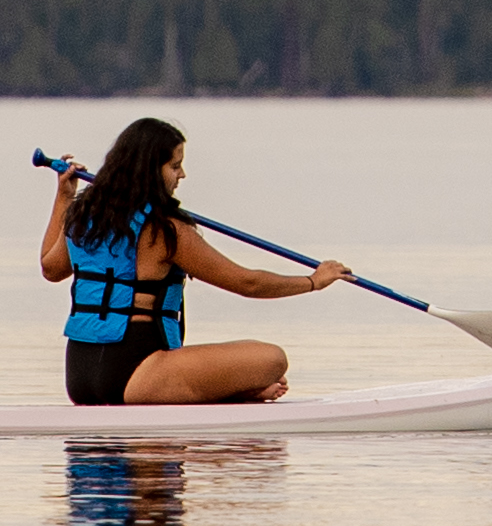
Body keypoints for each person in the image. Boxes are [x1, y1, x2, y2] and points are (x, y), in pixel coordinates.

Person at [43, 115, 349, 406]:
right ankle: (238, 394)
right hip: (135, 372)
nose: (182, 175)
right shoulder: (166, 229)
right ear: (150, 169)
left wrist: (63, 197)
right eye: (175, 166)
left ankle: (236, 392)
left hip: (80, 376)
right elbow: (247, 283)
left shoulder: (82, 216)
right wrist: (313, 281)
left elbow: (50, 268)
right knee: (272, 359)